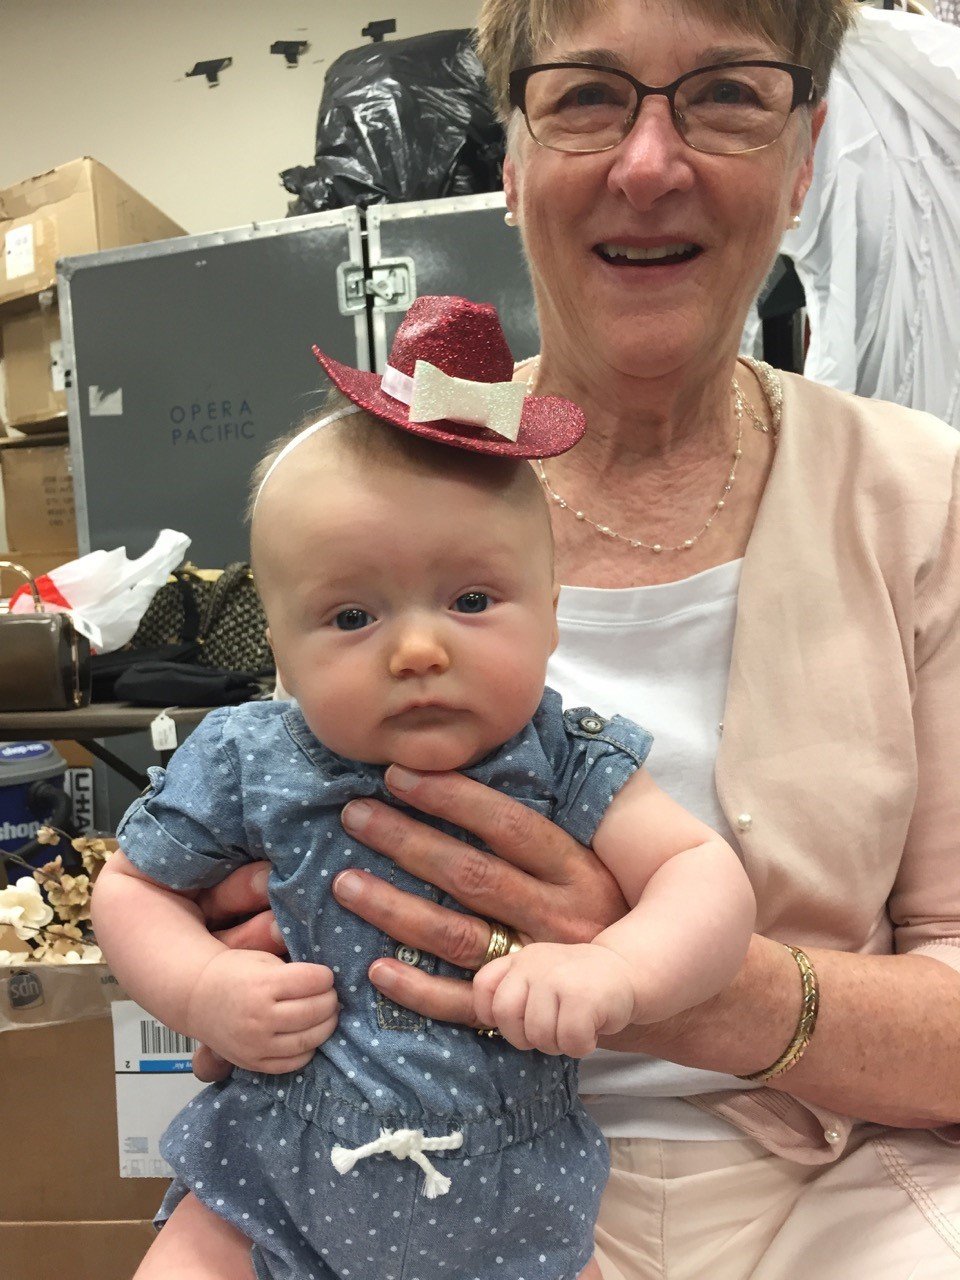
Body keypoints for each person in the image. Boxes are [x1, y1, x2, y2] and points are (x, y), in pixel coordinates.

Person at [185, 2, 960, 1277]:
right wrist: (229, 969)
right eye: (588, 96)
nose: (649, 164)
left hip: (847, 1186)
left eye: (728, 94)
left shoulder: (922, 497)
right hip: (428, 1172)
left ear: (804, 158)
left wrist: (692, 985)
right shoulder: (380, 493)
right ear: (512, 158)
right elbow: (259, 873)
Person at [92, 296, 755, 1280]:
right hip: (270, 1177)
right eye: (352, 615)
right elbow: (132, 886)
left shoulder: (566, 756)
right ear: (279, 648)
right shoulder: (246, 755)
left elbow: (704, 876)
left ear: (554, 614)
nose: (416, 649)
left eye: (471, 600)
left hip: (513, 1199)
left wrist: (617, 969)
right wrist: (202, 985)